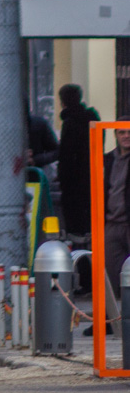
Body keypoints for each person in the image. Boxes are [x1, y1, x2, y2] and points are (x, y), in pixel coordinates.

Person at [59, 84, 101, 238]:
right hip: (92, 177)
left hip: (73, 183)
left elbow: (66, 156)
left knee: (75, 228)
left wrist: (63, 176)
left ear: (63, 102)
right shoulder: (92, 118)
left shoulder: (70, 122)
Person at [103, 119, 130, 301]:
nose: (126, 136)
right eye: (121, 132)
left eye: (129, 132)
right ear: (115, 135)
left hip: (128, 221)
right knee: (108, 274)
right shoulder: (108, 159)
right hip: (111, 223)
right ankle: (107, 319)